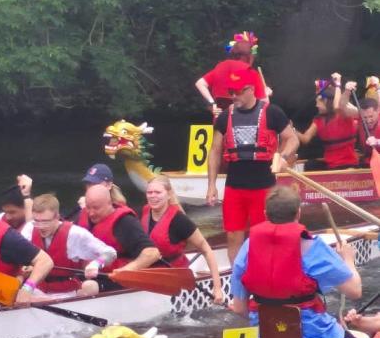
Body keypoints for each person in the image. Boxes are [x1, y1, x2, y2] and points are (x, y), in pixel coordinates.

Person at [230, 185, 380, 338]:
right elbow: (355, 290)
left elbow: (239, 308)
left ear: (265, 214)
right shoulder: (313, 247)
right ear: (298, 213)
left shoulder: (247, 247)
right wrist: (348, 260)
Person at [206, 66, 299, 263]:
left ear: (250, 89)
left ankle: (263, 277)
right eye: (230, 92)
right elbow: (214, 151)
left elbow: (292, 139)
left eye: (237, 92)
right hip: (234, 187)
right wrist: (211, 185)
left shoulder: (273, 113)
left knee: (262, 236)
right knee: (233, 236)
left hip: (263, 187)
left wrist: (283, 156)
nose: (233, 96)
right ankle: (236, 282)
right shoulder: (224, 117)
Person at [143, 175, 224, 303]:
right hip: (148, 273)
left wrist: (217, 288)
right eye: (149, 192)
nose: (153, 196)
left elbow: (207, 250)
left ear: (169, 195)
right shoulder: (146, 211)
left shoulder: (179, 220)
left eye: (158, 192)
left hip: (174, 277)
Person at [29, 194, 116, 298]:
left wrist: (96, 264)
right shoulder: (30, 228)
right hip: (36, 291)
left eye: (45, 222)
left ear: (57, 217)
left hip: (67, 293)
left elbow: (110, 253)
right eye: (37, 221)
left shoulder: (75, 234)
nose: (41, 227)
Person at [76, 183, 160, 289]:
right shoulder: (83, 215)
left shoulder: (125, 222)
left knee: (88, 287)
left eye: (96, 208)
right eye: (88, 207)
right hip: (87, 275)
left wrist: (125, 271)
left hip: (114, 279)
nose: (91, 213)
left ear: (109, 203)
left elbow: (152, 253)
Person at [195, 32, 269, 119]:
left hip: (220, 121)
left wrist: (212, 103)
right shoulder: (249, 71)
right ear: (249, 55)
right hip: (242, 122)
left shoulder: (220, 66)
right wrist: (266, 92)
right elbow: (264, 104)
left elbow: (200, 83)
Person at [296, 74, 360, 170]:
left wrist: (338, 85)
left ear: (327, 102)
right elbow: (305, 139)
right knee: (310, 165)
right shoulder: (318, 120)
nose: (316, 105)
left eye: (319, 102)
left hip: (347, 164)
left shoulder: (342, 115)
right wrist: (292, 129)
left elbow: (337, 106)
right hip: (330, 164)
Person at [343, 77, 380, 163]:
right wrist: (347, 91)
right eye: (365, 117)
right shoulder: (360, 115)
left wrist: (377, 142)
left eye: (371, 117)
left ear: (378, 111)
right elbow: (342, 107)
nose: (368, 120)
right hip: (368, 162)